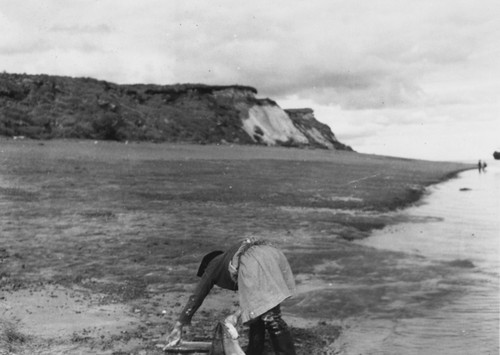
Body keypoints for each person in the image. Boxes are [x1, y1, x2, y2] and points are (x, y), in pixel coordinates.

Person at [165, 237, 297, 355]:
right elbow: (255, 303)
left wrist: (179, 325)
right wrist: (237, 315)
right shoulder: (235, 261)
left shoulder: (213, 265)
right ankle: (254, 351)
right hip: (273, 253)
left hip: (255, 258)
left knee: (270, 317)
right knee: (260, 313)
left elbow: (197, 296)